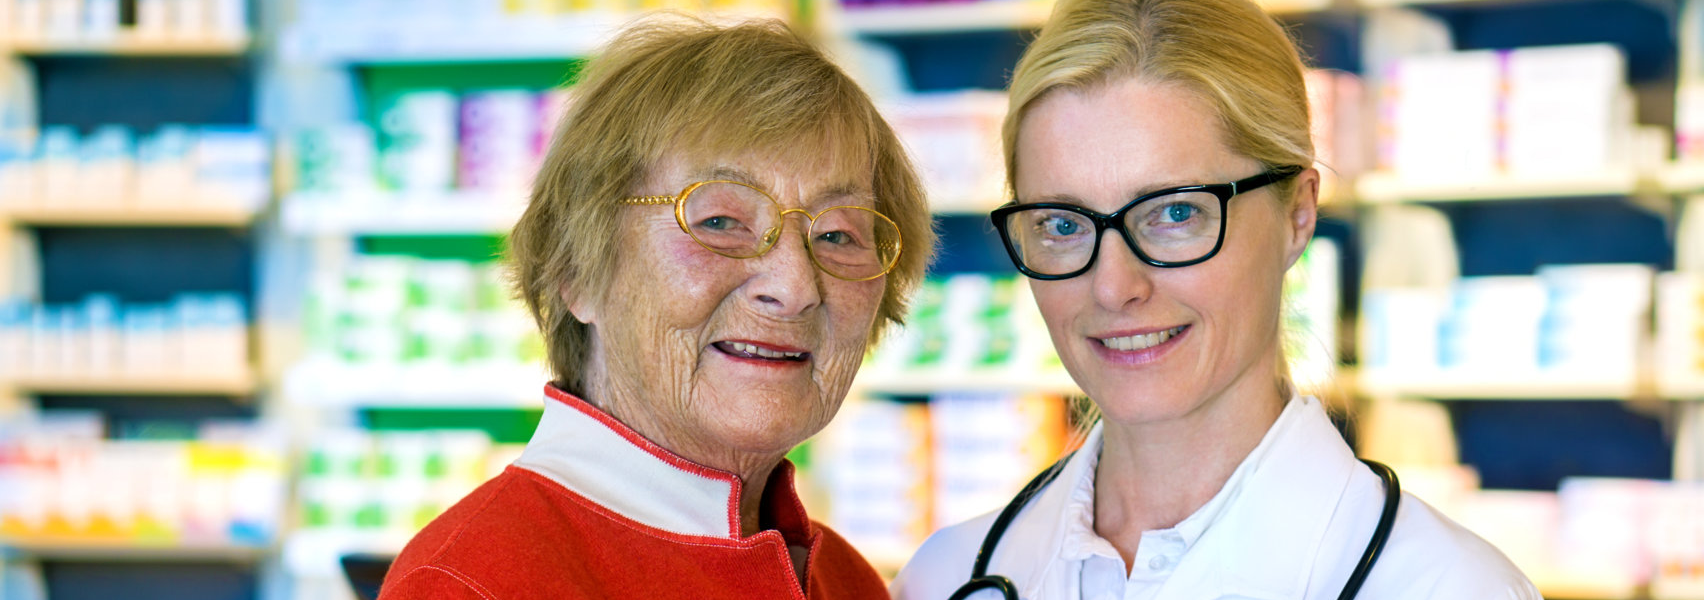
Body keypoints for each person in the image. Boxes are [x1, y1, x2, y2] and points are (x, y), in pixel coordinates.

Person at [890, 0, 1540, 598]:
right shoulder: (946, 577)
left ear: (1298, 215)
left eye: (1175, 213)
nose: (1115, 288)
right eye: (1063, 225)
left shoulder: (1444, 586)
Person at [380, 14, 933, 600]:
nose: (795, 287)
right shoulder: (475, 583)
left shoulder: (845, 580)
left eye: (838, 235)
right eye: (720, 221)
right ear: (577, 271)